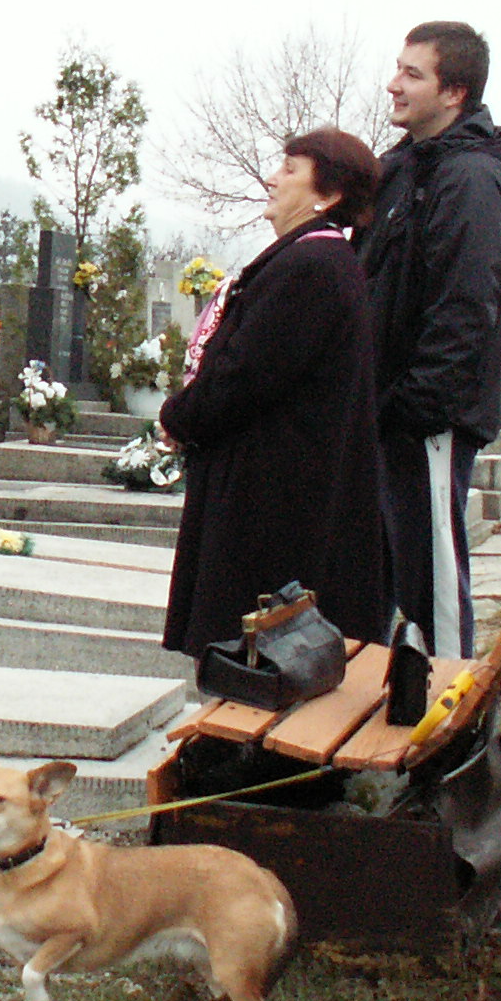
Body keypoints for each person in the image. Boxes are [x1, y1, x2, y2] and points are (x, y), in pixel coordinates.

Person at [159, 129, 387, 658]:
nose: (272, 179)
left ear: (327, 195)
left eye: (290, 170)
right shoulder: (312, 260)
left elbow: (245, 376)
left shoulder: (312, 268)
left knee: (256, 660)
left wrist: (179, 418)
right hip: (273, 488)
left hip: (273, 502)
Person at [356, 22, 501, 659]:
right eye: (397, 69)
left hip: (426, 420)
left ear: (453, 93)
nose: (393, 85)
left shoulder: (471, 180)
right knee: (380, 584)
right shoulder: (400, 169)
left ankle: (452, 709)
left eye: (412, 74)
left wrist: (414, 406)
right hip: (386, 413)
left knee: (433, 591)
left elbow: (465, 307)